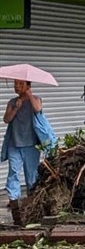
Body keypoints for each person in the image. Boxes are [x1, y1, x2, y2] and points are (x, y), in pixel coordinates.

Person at [2, 80, 43, 222]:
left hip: (31, 145)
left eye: (20, 84)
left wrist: (29, 96)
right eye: (15, 84)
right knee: (13, 171)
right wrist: (15, 108)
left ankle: (32, 204)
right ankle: (14, 203)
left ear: (28, 86)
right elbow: (6, 119)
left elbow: (38, 109)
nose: (16, 87)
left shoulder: (36, 99)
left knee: (31, 176)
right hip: (15, 144)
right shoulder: (12, 102)